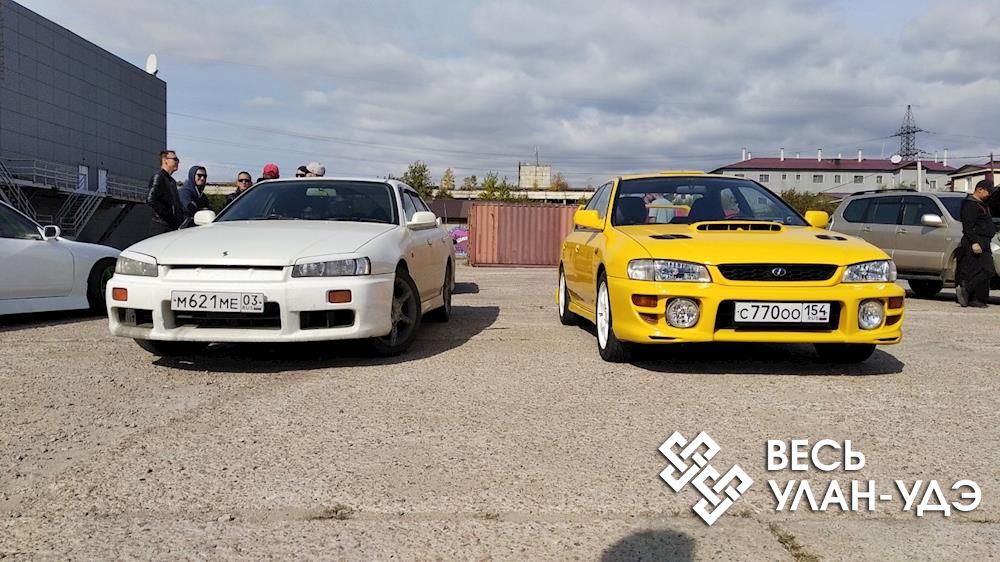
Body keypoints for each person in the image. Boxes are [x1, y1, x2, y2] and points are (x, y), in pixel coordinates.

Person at [956, 179, 998, 308]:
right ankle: (966, 289)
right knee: (986, 270)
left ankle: (977, 299)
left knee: (984, 271)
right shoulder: (970, 204)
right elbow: (968, 227)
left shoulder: (983, 204)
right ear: (979, 190)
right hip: (975, 242)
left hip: (985, 241)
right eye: (988, 192)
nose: (989, 194)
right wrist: (974, 242)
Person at [146, 150, 184, 236]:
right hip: (161, 226)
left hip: (170, 226)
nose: (177, 162)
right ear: (165, 160)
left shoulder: (171, 181)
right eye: (175, 159)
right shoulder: (159, 177)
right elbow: (150, 199)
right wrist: (167, 213)